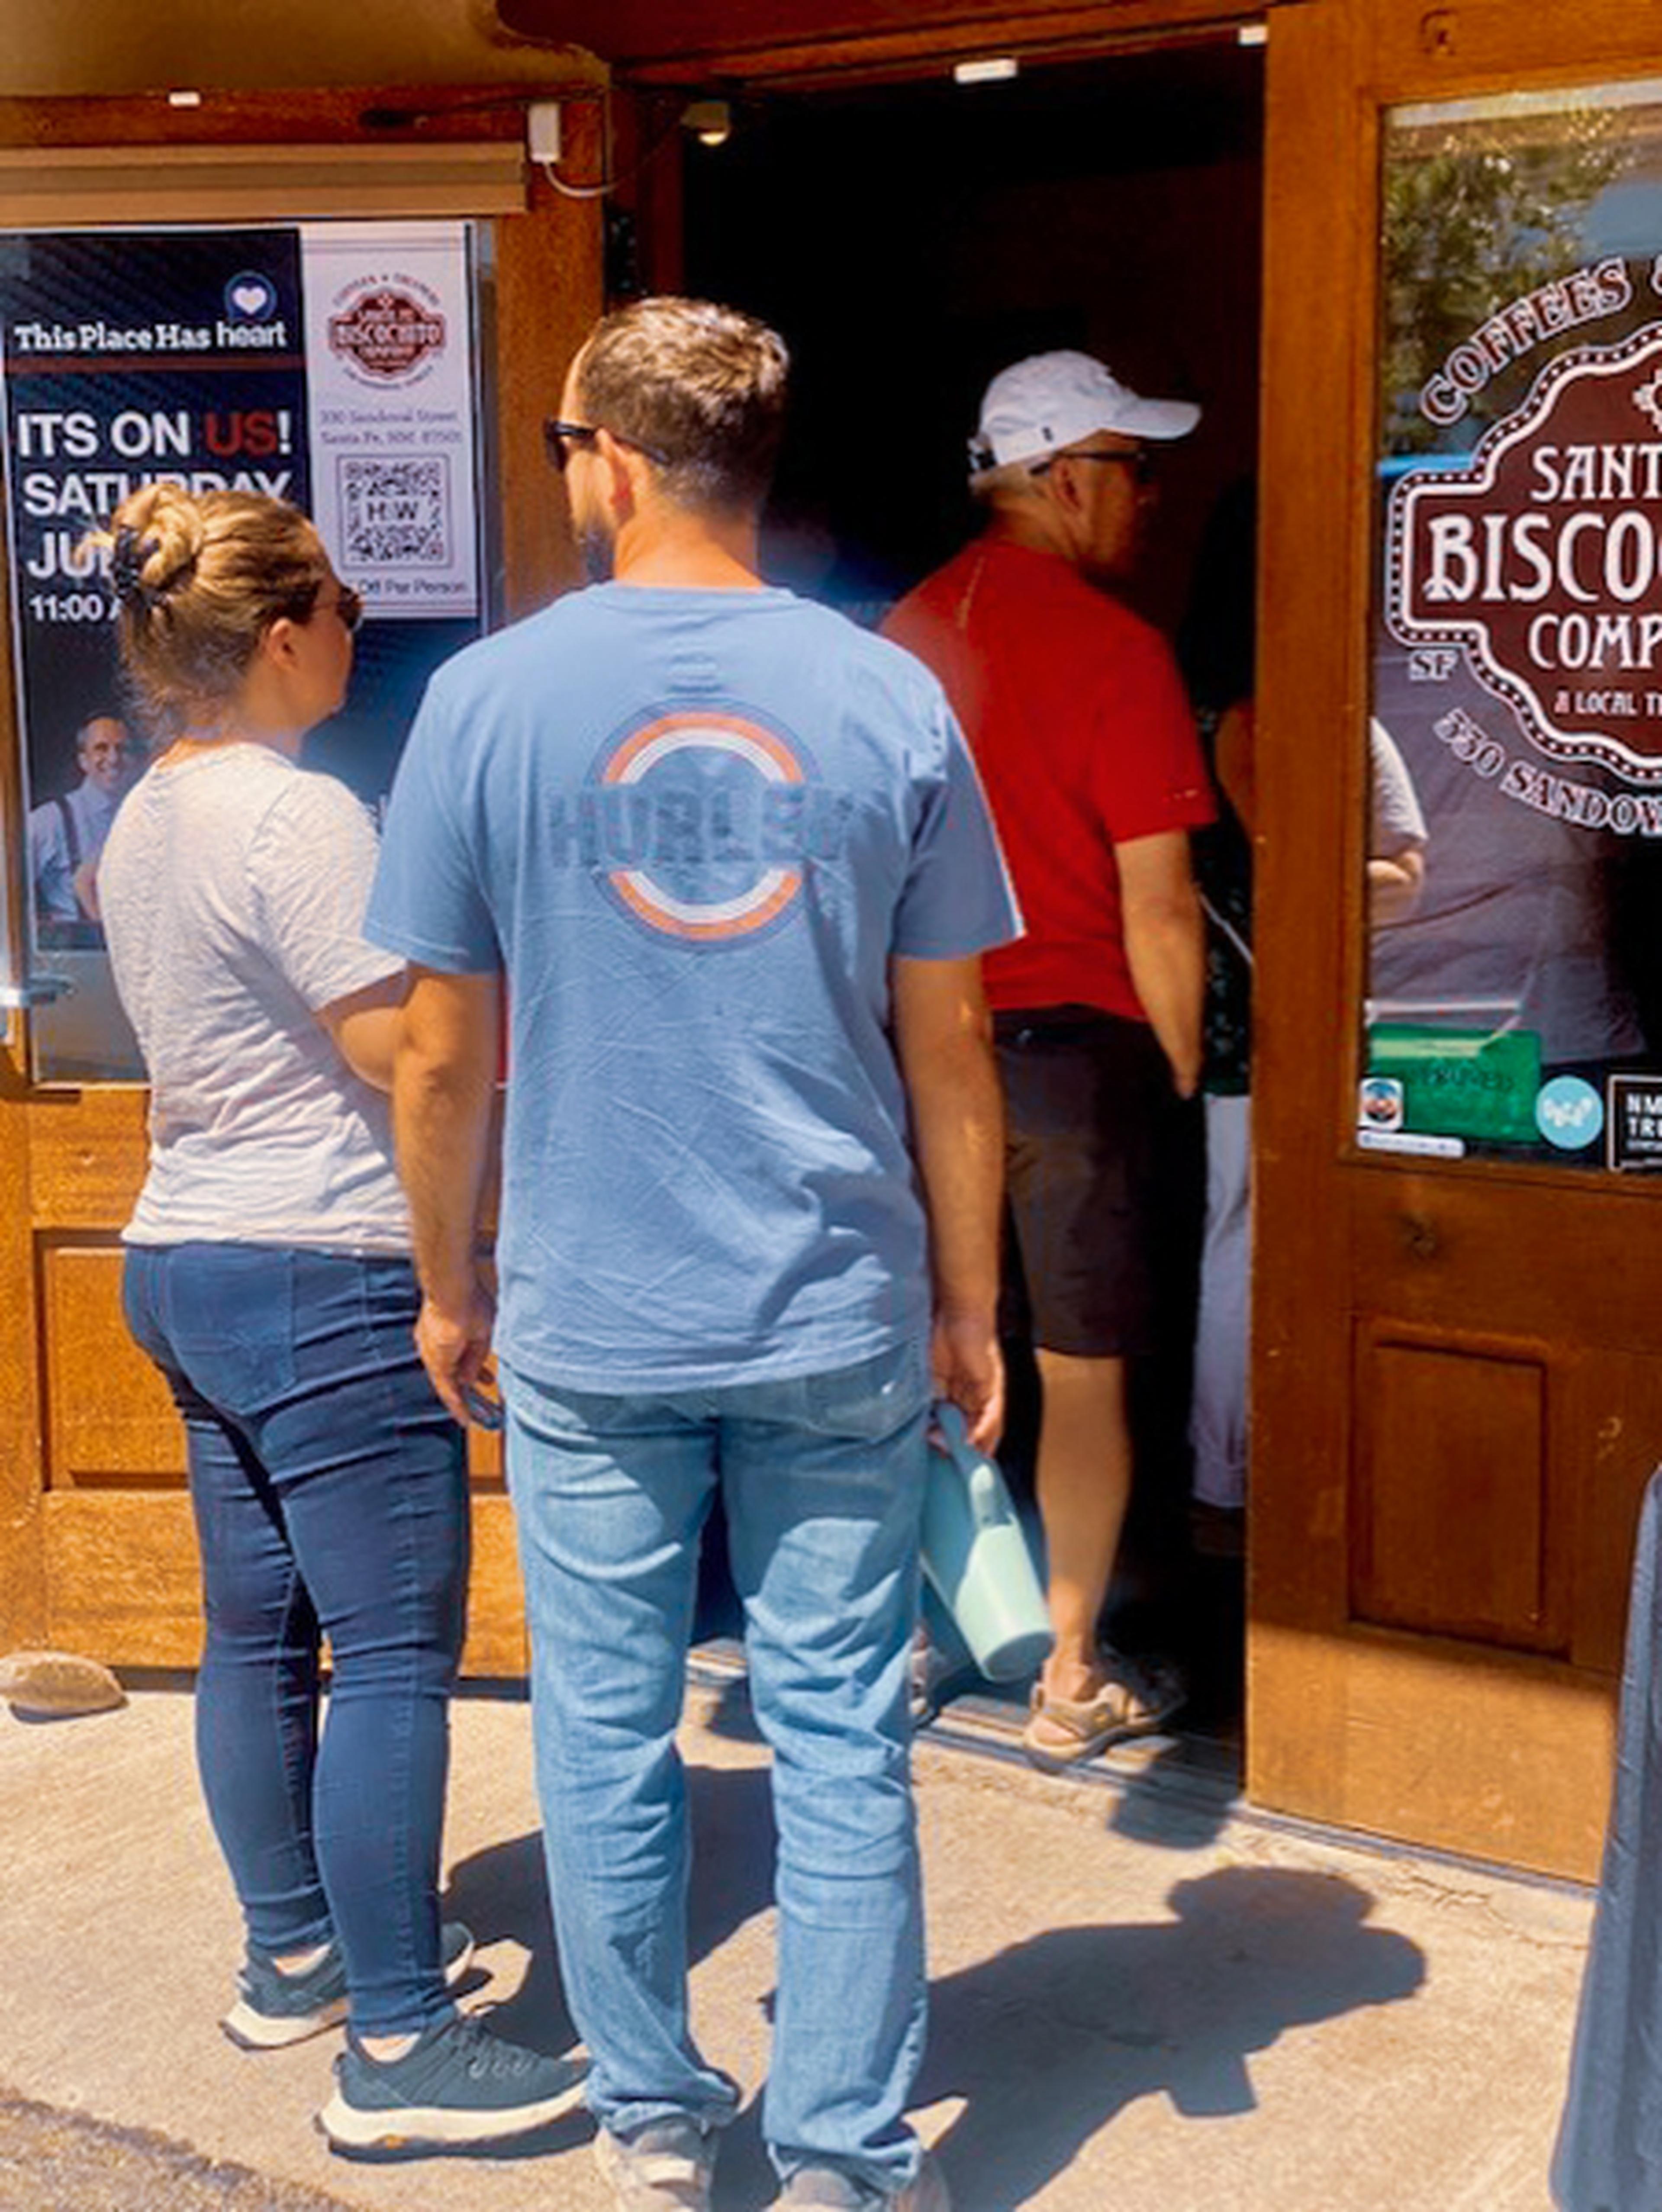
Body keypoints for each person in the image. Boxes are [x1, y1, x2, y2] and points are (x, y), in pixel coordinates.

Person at [367, 295, 1017, 2212]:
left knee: (604, 1722)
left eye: (566, 444)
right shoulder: (889, 695)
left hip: (595, 1302)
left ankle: (655, 2121)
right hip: (833, 1299)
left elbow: (436, 1051)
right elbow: (952, 1043)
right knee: (837, 1732)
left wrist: (447, 1279)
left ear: (611, 460)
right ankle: (840, 2152)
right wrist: (972, 1299)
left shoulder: (487, 699)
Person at [93, 483, 583, 2160]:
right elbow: (410, 1057)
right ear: (284, 633)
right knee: (386, 1650)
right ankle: (398, 2038)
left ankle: (295, 1947)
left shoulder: (144, 814)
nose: (362, 630)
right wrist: (461, 1268)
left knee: (255, 1631)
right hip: (323, 1263)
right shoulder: (300, 820)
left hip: (189, 1257)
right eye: (346, 606)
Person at [883, 348, 1214, 1771]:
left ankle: (903, 1636)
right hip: (1080, 1059)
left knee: (921, 1355)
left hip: (913, 1052)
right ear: (1065, 476)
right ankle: (1071, 1672)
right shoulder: (1117, 649)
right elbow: (1160, 903)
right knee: (1082, 1376)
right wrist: (1190, 1080)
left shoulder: (895, 640)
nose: (1145, 498)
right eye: (1134, 470)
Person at [28, 712, 138, 942]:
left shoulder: (142, 817)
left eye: (122, 749)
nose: (113, 758)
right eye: (101, 748)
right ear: (83, 761)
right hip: (75, 959)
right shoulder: (51, 820)